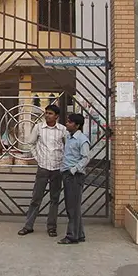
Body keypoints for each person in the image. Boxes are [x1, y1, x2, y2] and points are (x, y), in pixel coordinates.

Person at [18, 104, 67, 237]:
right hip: (43, 167)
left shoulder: (62, 130)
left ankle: (52, 227)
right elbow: (31, 143)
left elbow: (67, 146)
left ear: (56, 116)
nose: (47, 115)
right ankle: (28, 226)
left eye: (50, 114)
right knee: (36, 198)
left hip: (57, 168)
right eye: (46, 113)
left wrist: (63, 160)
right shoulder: (39, 127)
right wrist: (38, 157)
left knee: (54, 199)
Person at [58, 113, 90, 245]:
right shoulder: (69, 137)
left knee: (72, 208)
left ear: (77, 125)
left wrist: (74, 169)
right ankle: (79, 234)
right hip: (67, 174)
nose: (67, 124)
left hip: (75, 176)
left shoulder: (82, 139)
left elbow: (86, 158)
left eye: (70, 122)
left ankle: (72, 236)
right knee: (73, 206)